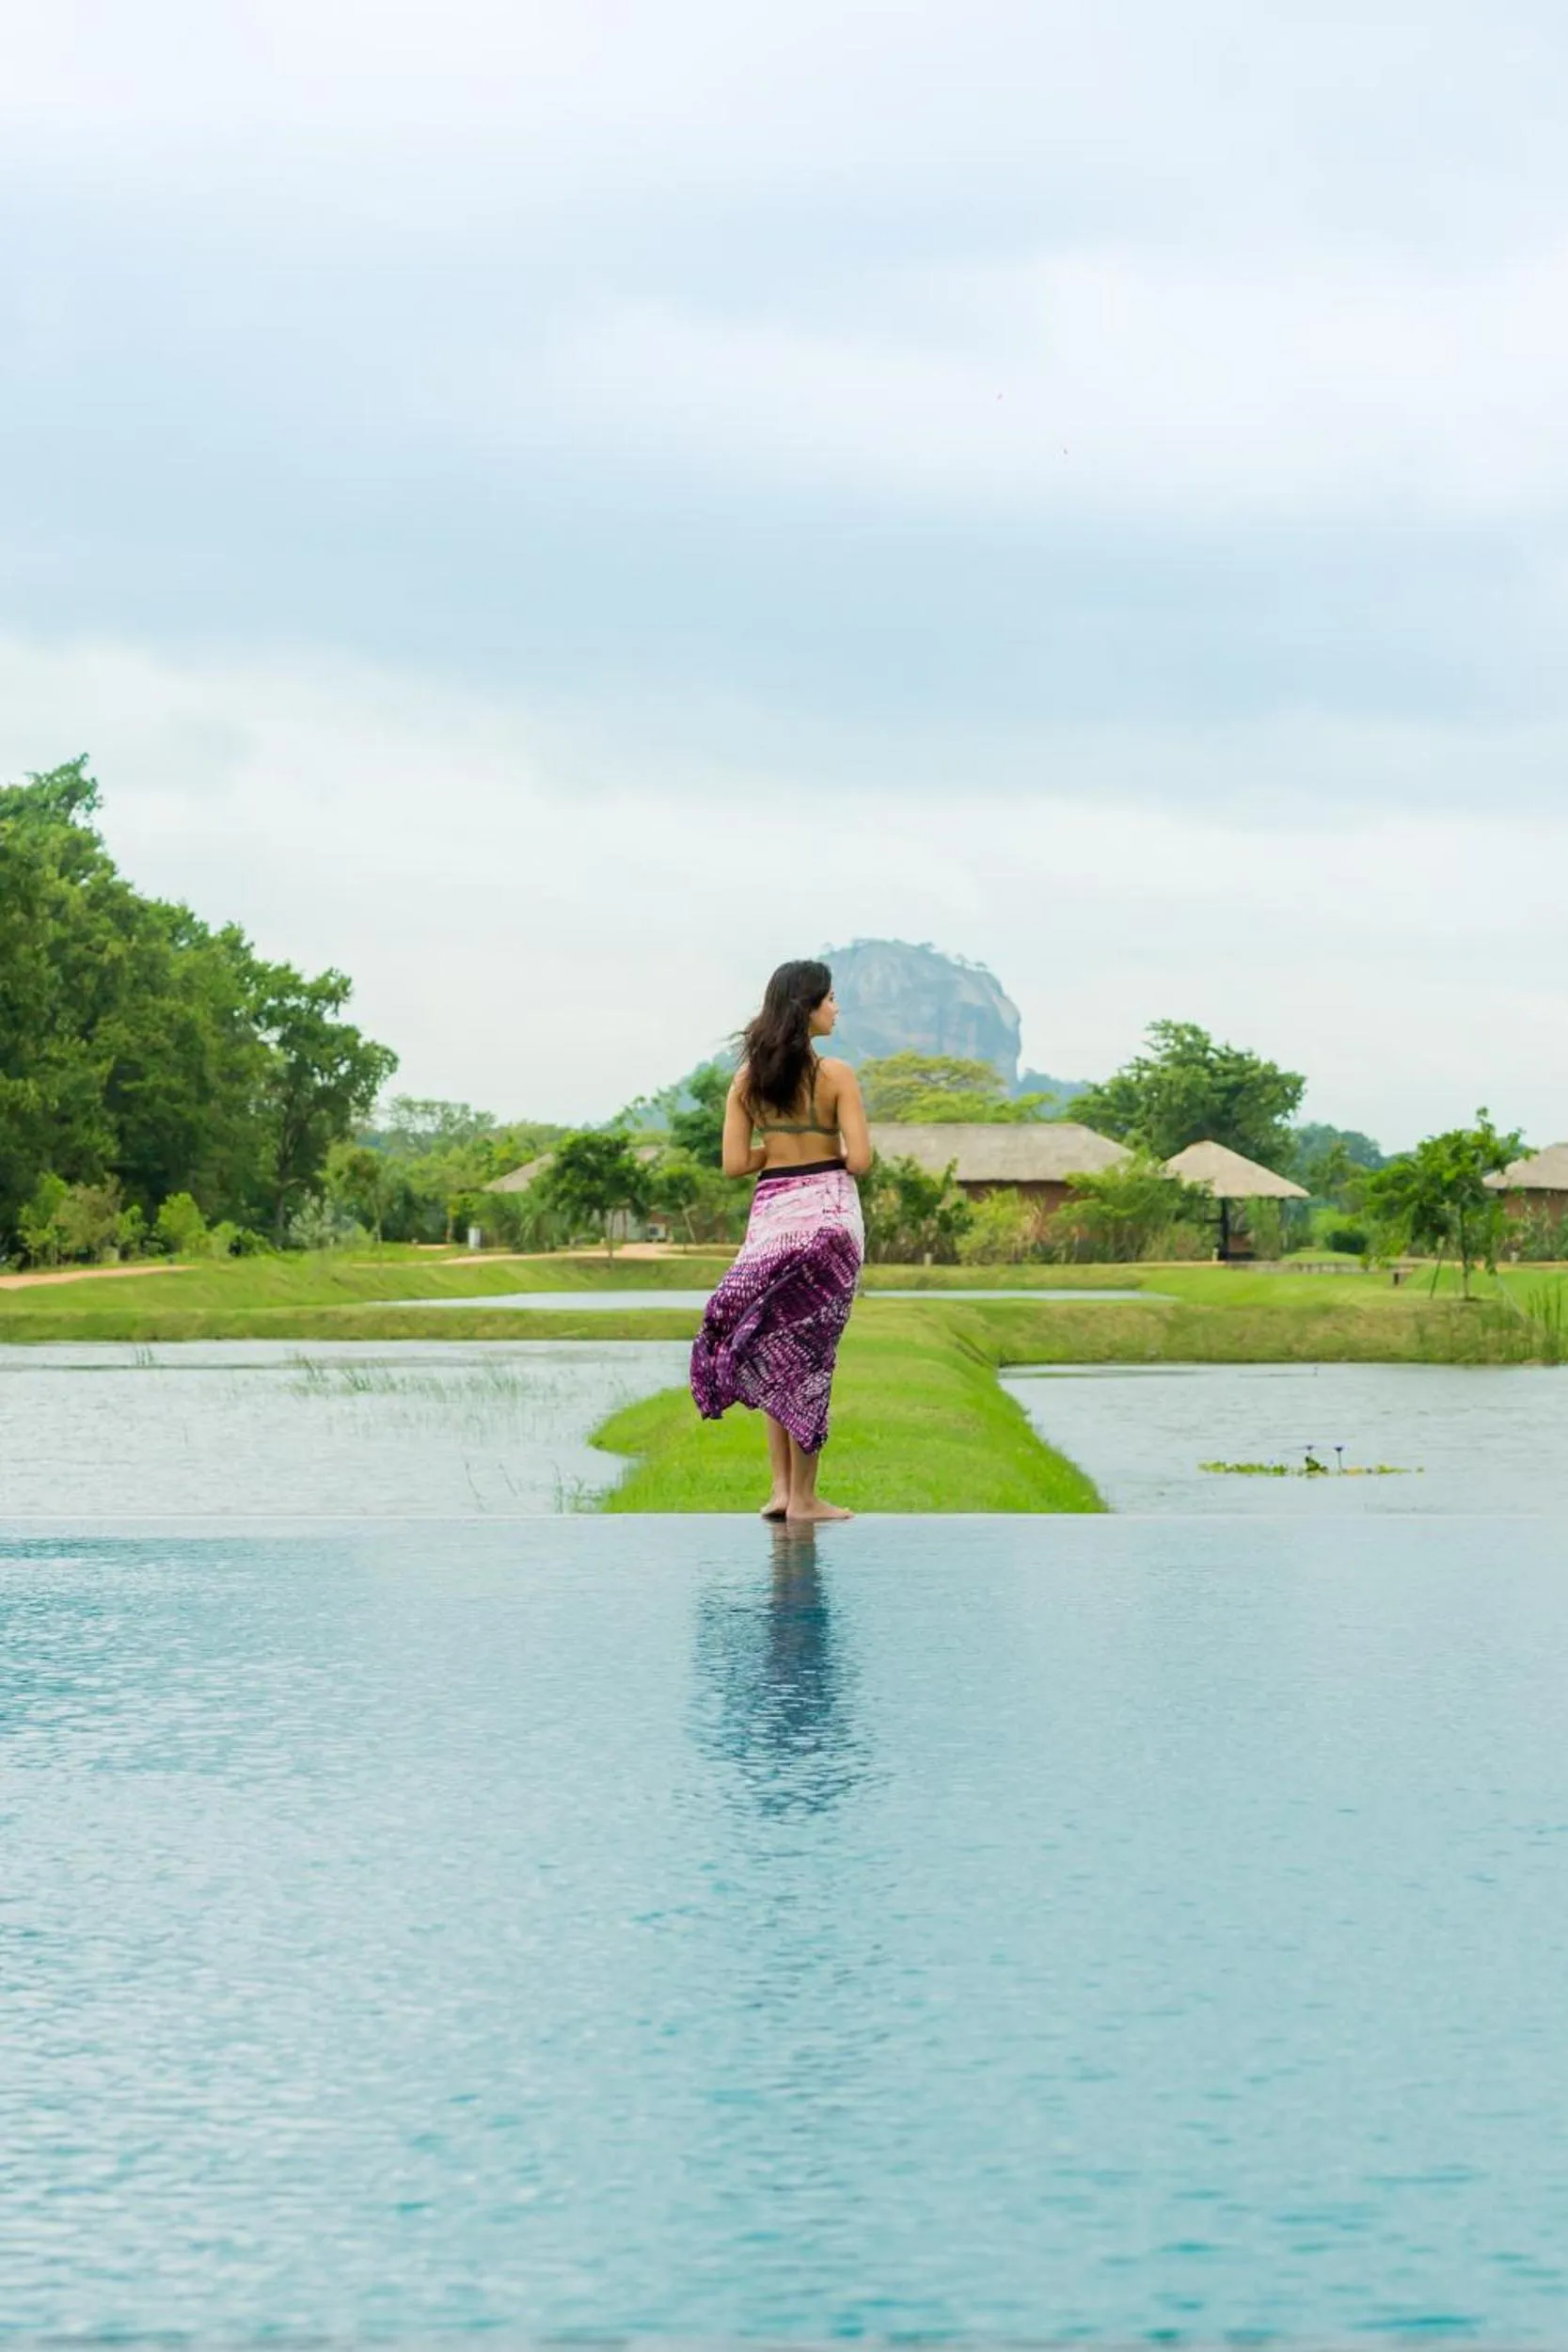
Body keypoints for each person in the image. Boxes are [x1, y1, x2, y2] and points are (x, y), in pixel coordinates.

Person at [689, 959, 872, 1522]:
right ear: (808, 1007)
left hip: (771, 1222)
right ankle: (807, 1500)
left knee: (773, 1350)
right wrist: (821, 1150)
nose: (836, 1009)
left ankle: (780, 1491)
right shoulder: (837, 1075)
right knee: (810, 1358)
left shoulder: (747, 1081)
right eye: (830, 999)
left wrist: (782, 1149)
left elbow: (734, 1163)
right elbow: (860, 1161)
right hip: (829, 1222)